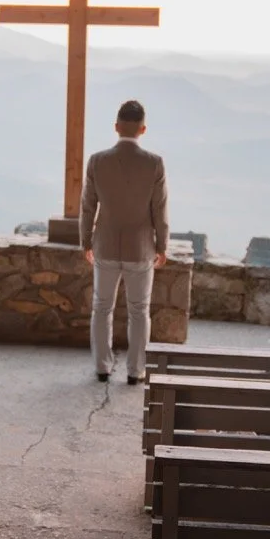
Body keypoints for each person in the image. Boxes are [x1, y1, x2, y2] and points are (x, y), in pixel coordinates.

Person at [80, 99, 168, 386]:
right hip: (140, 248)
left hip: (105, 245)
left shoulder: (97, 161)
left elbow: (87, 208)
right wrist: (162, 245)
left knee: (101, 308)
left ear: (116, 127)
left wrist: (86, 242)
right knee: (139, 311)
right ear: (142, 129)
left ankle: (102, 367)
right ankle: (136, 371)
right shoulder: (154, 163)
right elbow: (159, 209)